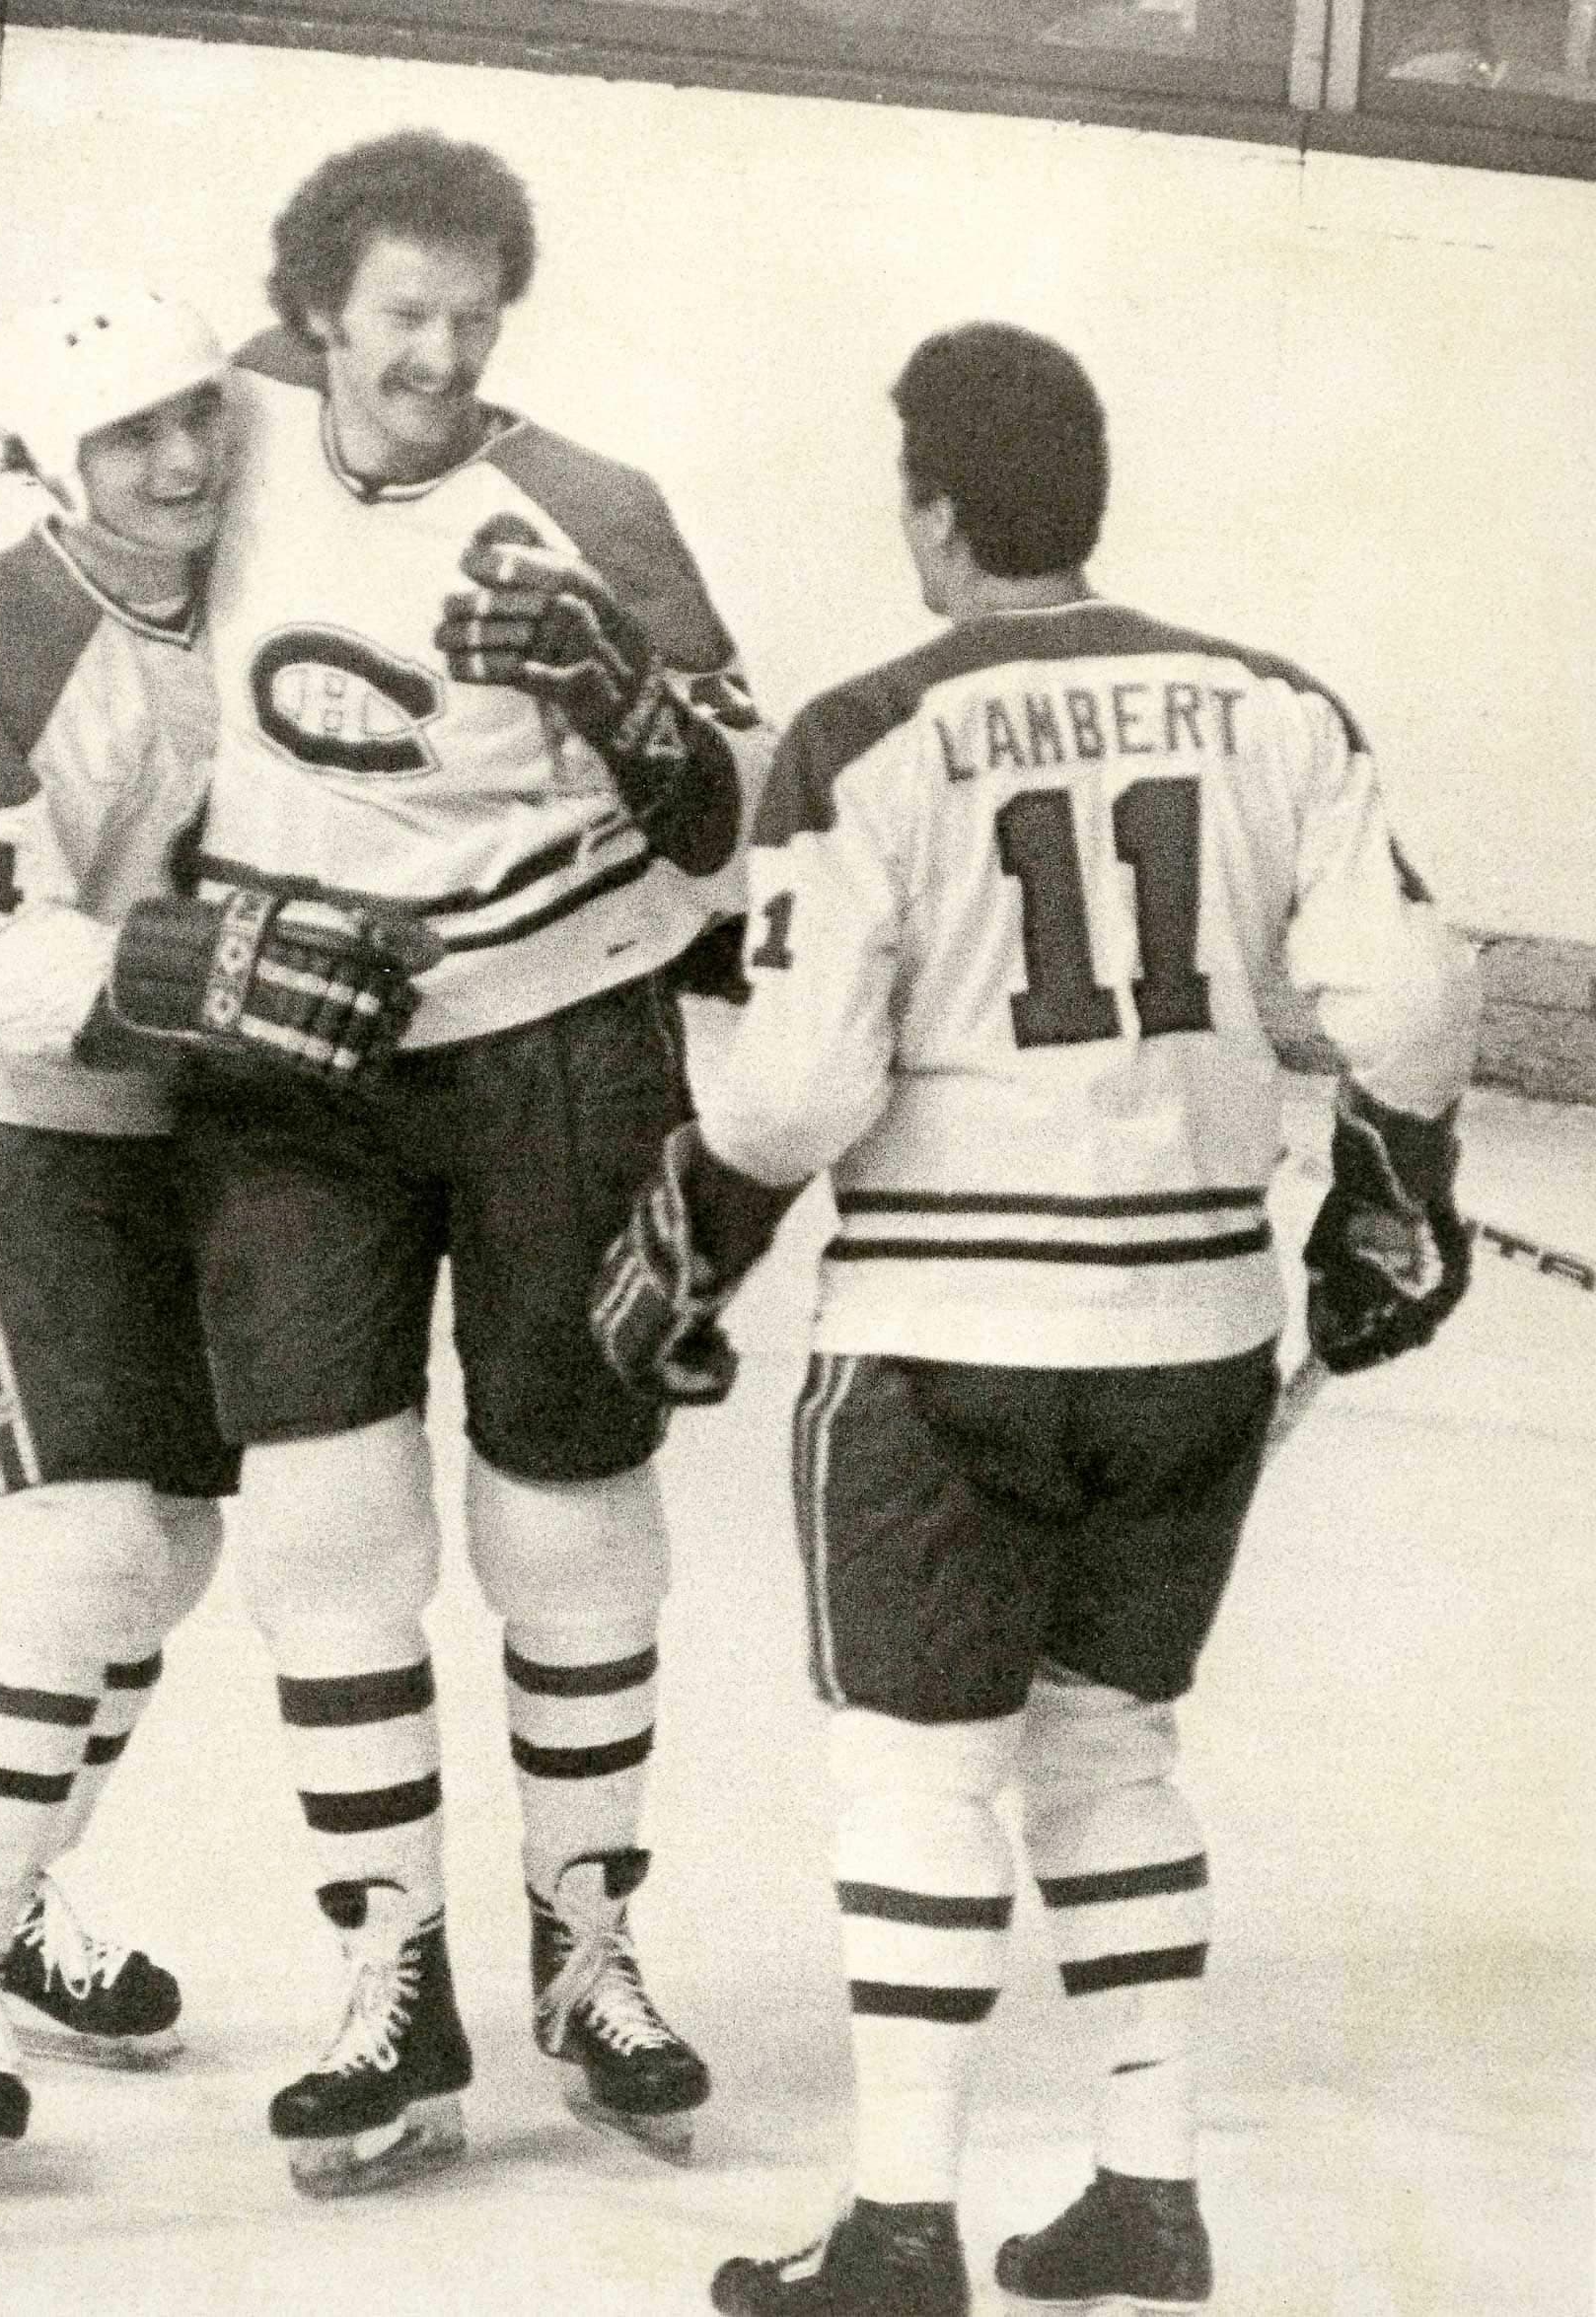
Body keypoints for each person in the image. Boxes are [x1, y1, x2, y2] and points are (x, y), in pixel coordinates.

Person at [593, 322, 1481, 2314]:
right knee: (1109, 1749)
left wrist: (695, 1238)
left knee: (919, 1775)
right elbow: (1412, 996)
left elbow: (796, 1091)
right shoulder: (1272, 705)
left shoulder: (867, 732)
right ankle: (1143, 2195)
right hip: (1193, 1330)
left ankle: (904, 2224)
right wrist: (1393, 1193)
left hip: (946, 1336)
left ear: (930, 506)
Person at [105, 128, 772, 2197]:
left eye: (475, 317)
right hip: (290, 1048)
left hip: (560, 1029)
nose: (441, 354)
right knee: (322, 1509)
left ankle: (588, 1938)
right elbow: (76, 612)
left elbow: (732, 818)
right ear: (318, 306)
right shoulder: (219, 425)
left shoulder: (587, 508)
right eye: (403, 312)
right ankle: (389, 1970)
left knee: (564, 1497)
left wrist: (628, 698)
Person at [0, 277, 246, 2194]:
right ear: (51, 459)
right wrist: (177, 962)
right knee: (72, 1535)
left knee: (167, 1549)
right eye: (130, 436)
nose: (180, 458)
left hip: (169, 1139)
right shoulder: (3, 632)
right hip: (1, 1132)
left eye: (196, 414)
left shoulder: (249, 577)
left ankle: (14, 1894)